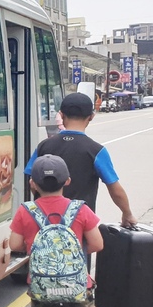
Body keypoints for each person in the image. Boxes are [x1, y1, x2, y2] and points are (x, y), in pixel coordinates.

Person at [9, 154, 103, 307]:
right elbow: (97, 244)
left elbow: (15, 245)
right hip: (78, 285)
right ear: (68, 181)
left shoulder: (25, 211)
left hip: (42, 287)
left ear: (33, 184)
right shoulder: (80, 209)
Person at [25, 92, 138, 227]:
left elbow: (31, 180)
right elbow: (115, 189)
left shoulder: (44, 146)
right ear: (91, 117)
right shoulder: (96, 150)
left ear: (61, 115)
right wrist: (127, 213)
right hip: (80, 225)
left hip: (43, 223)